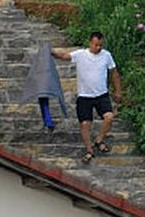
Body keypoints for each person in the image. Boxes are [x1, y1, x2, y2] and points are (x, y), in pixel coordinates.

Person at [51, 32, 122, 162]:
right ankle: (89, 150)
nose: (98, 48)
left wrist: (118, 91)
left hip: (101, 95)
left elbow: (114, 73)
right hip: (84, 96)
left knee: (109, 117)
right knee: (85, 124)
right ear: (90, 43)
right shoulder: (81, 54)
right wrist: (51, 52)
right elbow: (65, 56)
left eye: (101, 45)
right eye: (96, 45)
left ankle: (99, 140)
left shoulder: (106, 55)